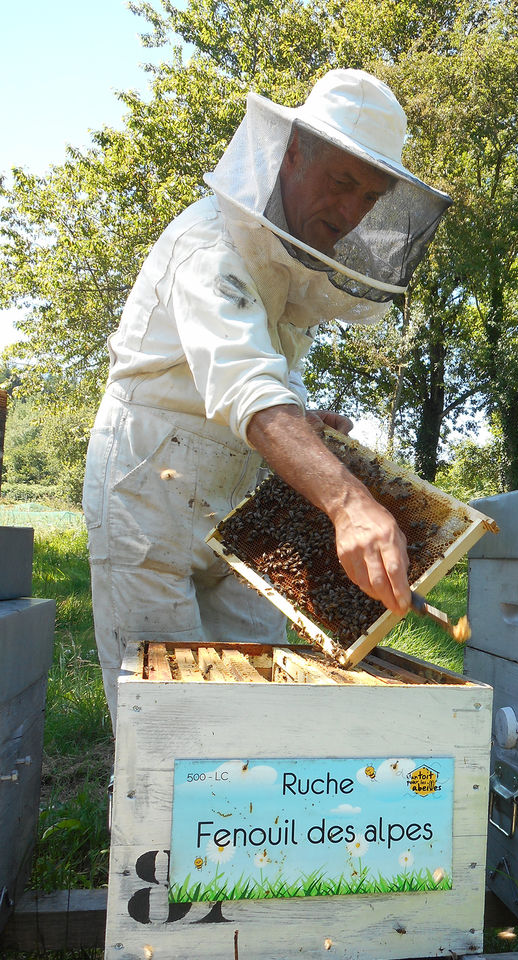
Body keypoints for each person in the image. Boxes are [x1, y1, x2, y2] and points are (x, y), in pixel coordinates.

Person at [82, 69, 452, 728]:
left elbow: (259, 378)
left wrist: (300, 423)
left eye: (369, 197)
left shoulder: (284, 265)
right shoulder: (211, 244)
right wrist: (347, 501)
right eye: (341, 182)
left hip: (238, 500)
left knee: (251, 712)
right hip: (148, 489)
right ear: (291, 153)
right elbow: (244, 385)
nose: (349, 212)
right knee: (166, 726)